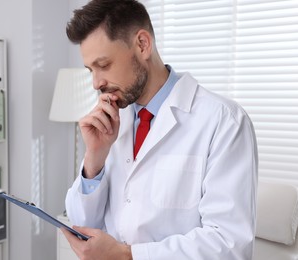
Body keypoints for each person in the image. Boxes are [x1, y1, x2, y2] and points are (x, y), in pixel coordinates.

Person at [61, 0, 258, 259]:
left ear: (142, 44)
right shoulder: (111, 123)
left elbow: (229, 244)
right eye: (90, 70)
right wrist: (94, 159)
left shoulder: (223, 121)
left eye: (104, 65)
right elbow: (83, 224)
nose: (96, 83)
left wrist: (127, 254)